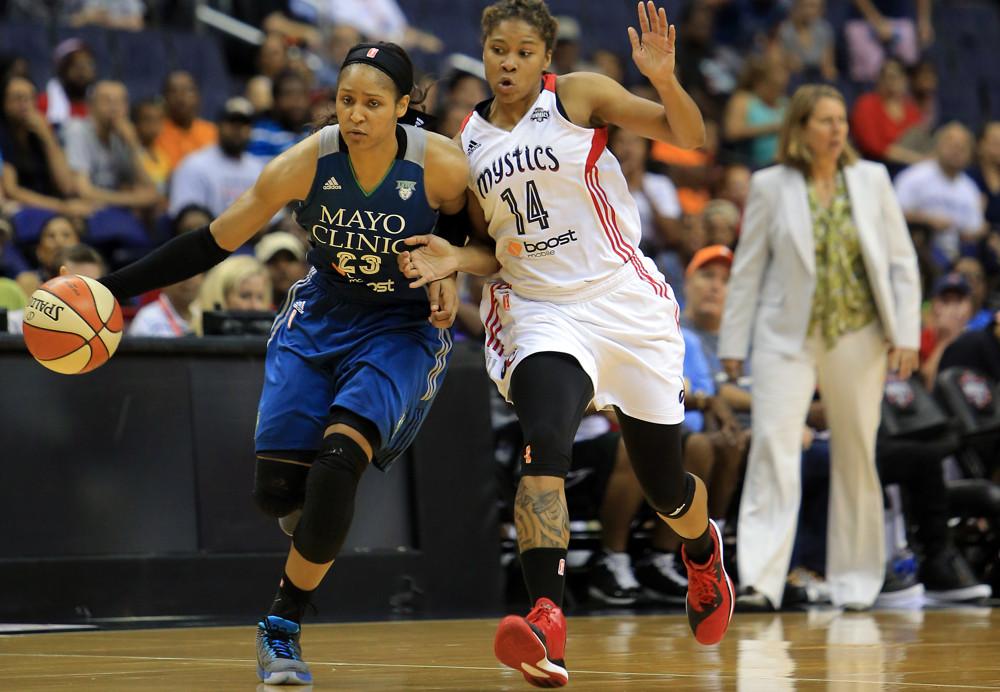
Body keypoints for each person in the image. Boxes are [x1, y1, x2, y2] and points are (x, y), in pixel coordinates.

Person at [82, 41, 469, 685]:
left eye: (374, 103)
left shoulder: (444, 167)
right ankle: (312, 516)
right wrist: (110, 288)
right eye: (346, 100)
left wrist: (451, 262)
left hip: (399, 328)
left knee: (340, 463)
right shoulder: (304, 163)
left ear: (404, 108)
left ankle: (280, 629)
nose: (356, 115)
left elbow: (476, 232)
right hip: (321, 315)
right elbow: (211, 242)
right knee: (275, 495)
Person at [399, 3, 734, 686]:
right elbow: (490, 250)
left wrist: (666, 82)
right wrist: (452, 263)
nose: (509, 62)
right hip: (540, 309)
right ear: (484, 55)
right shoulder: (464, 147)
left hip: (623, 304)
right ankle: (546, 617)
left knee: (667, 489)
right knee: (544, 439)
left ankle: (701, 551)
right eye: (498, 50)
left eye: (524, 51)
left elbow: (691, 137)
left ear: (545, 57)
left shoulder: (576, 95)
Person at [718, 84, 922, 612]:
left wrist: (905, 334)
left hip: (860, 334)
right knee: (773, 448)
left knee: (856, 455)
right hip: (785, 337)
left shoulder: (872, 179)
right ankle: (762, 580)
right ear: (801, 128)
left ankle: (856, 581)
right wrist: (733, 342)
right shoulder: (770, 185)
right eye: (826, 120)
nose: (837, 129)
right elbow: (747, 270)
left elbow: (901, 263)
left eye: (840, 120)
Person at [168, 97, 265, 219]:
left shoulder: (259, 168)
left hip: (257, 237)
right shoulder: (194, 165)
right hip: (210, 236)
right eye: (232, 122)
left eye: (244, 123)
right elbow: (186, 219)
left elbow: (275, 217)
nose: (238, 129)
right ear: (218, 126)